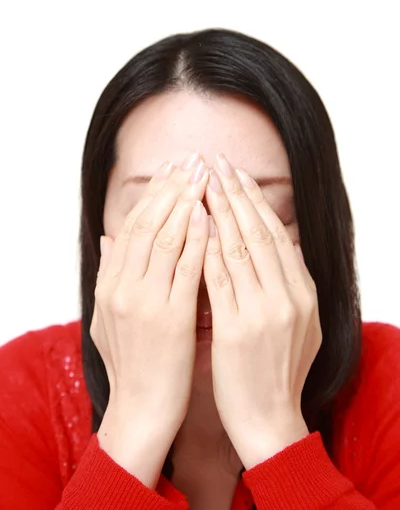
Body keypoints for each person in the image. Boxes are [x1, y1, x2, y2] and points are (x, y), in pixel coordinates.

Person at [0, 28, 399, 510]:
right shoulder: (21, 392)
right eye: (162, 211)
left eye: (256, 213)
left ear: (317, 229)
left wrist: (274, 435)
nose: (204, 262)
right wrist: (135, 426)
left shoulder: (388, 383)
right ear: (98, 228)